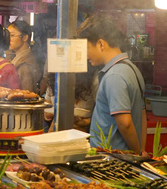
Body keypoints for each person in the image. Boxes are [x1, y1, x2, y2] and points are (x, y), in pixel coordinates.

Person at [77, 14, 146, 154]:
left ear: (101, 44)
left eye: (86, 48)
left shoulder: (114, 75)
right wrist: (141, 149)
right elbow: (142, 115)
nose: (85, 55)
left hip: (112, 159)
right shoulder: (131, 68)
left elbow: (125, 123)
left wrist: (137, 152)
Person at [43, 63, 100, 133]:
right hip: (56, 127)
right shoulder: (55, 75)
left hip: (81, 130)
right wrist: (47, 115)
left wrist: (86, 122)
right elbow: (47, 101)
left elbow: (101, 110)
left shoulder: (93, 77)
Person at [7, 20, 41, 93]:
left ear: (25, 38)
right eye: (7, 36)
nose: (8, 39)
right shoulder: (17, 59)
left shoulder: (25, 66)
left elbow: (27, 96)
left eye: (12, 35)